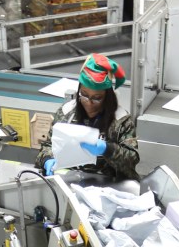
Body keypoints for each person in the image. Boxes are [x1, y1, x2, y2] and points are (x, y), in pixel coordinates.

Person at [37, 53, 140, 182]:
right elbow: (47, 145)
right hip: (71, 181)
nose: (89, 103)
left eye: (97, 98)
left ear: (107, 98)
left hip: (109, 185)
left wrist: (107, 149)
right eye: (84, 95)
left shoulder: (121, 120)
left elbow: (132, 159)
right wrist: (48, 159)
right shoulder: (67, 113)